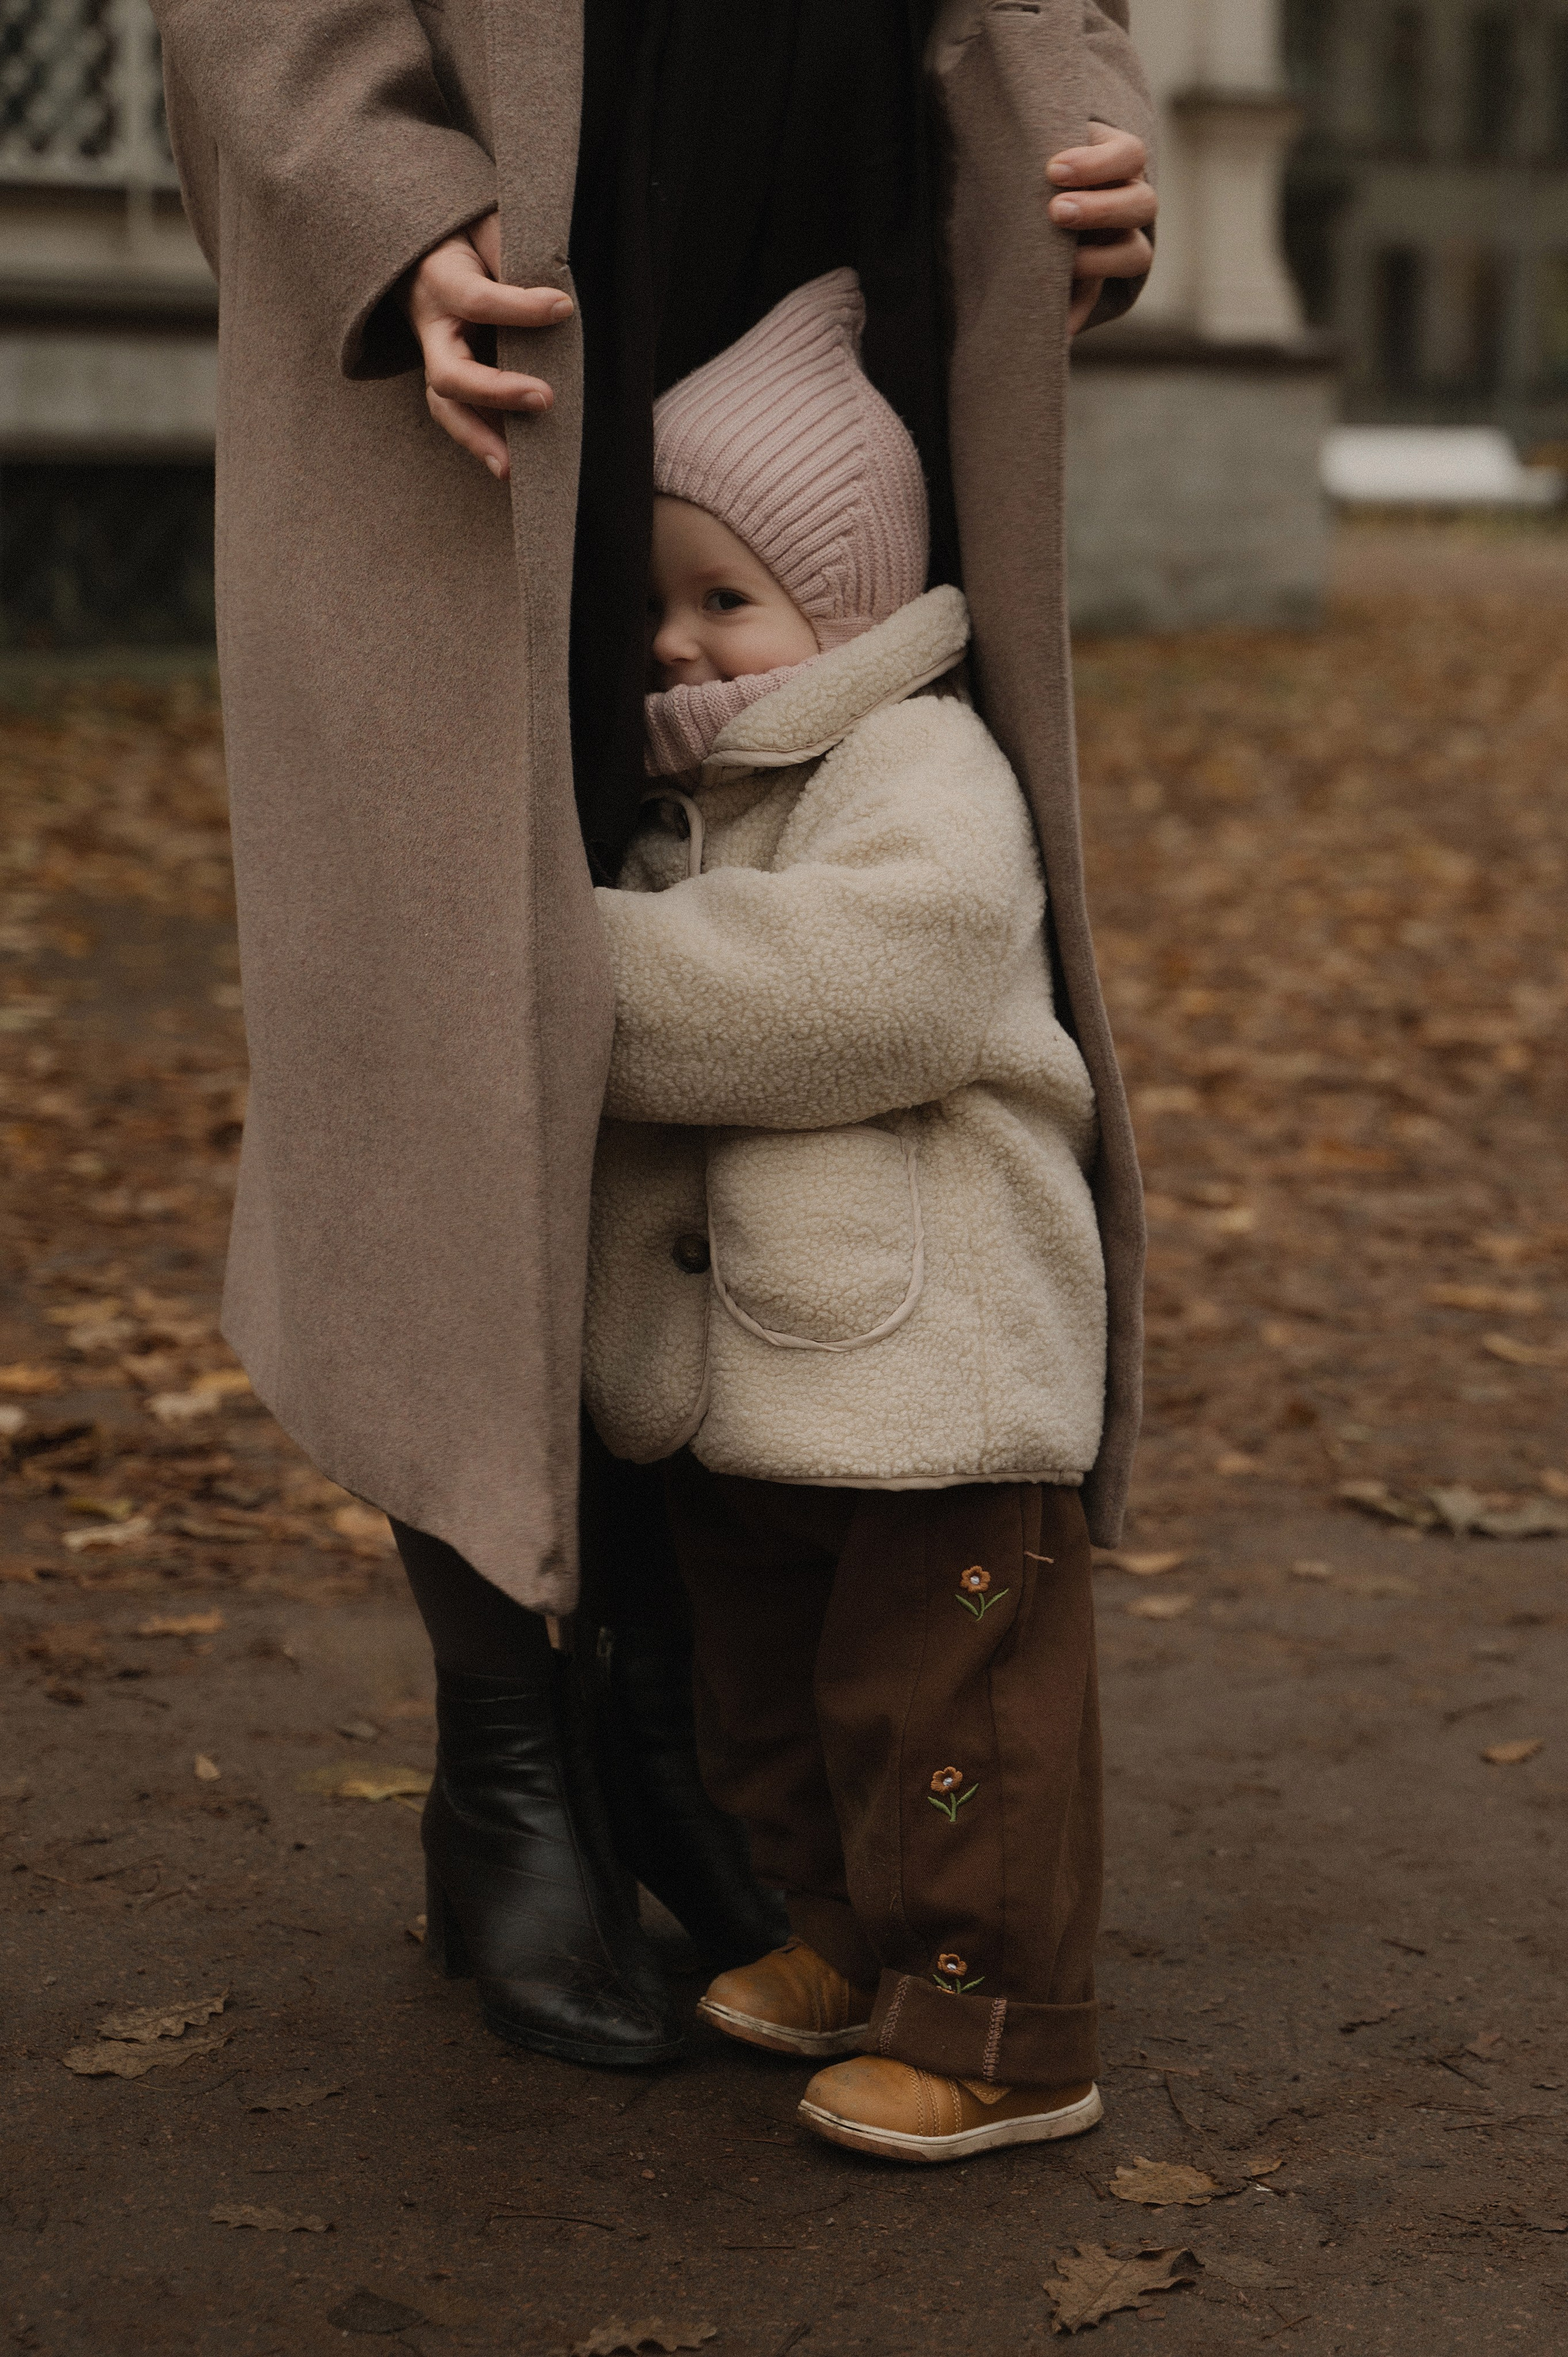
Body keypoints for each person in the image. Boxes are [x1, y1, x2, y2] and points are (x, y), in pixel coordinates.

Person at [149, 1, 1155, 2067]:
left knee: (775, 790)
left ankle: (683, 1710)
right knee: (457, 1004)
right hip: (500, 224)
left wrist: (1082, 116)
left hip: (828, 160)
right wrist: (385, 193)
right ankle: (511, 1761)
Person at [581, 268, 1108, 2162]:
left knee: (945, 1698)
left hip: (936, 1356)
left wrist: (579, 977)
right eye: (661, 600)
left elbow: (866, 987)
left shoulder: (921, 767)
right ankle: (838, 1936)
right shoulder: (704, 792)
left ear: (861, 600)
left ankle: (998, 2027)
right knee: (777, 1688)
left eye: (729, 597)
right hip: (780, 1370)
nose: (679, 639)